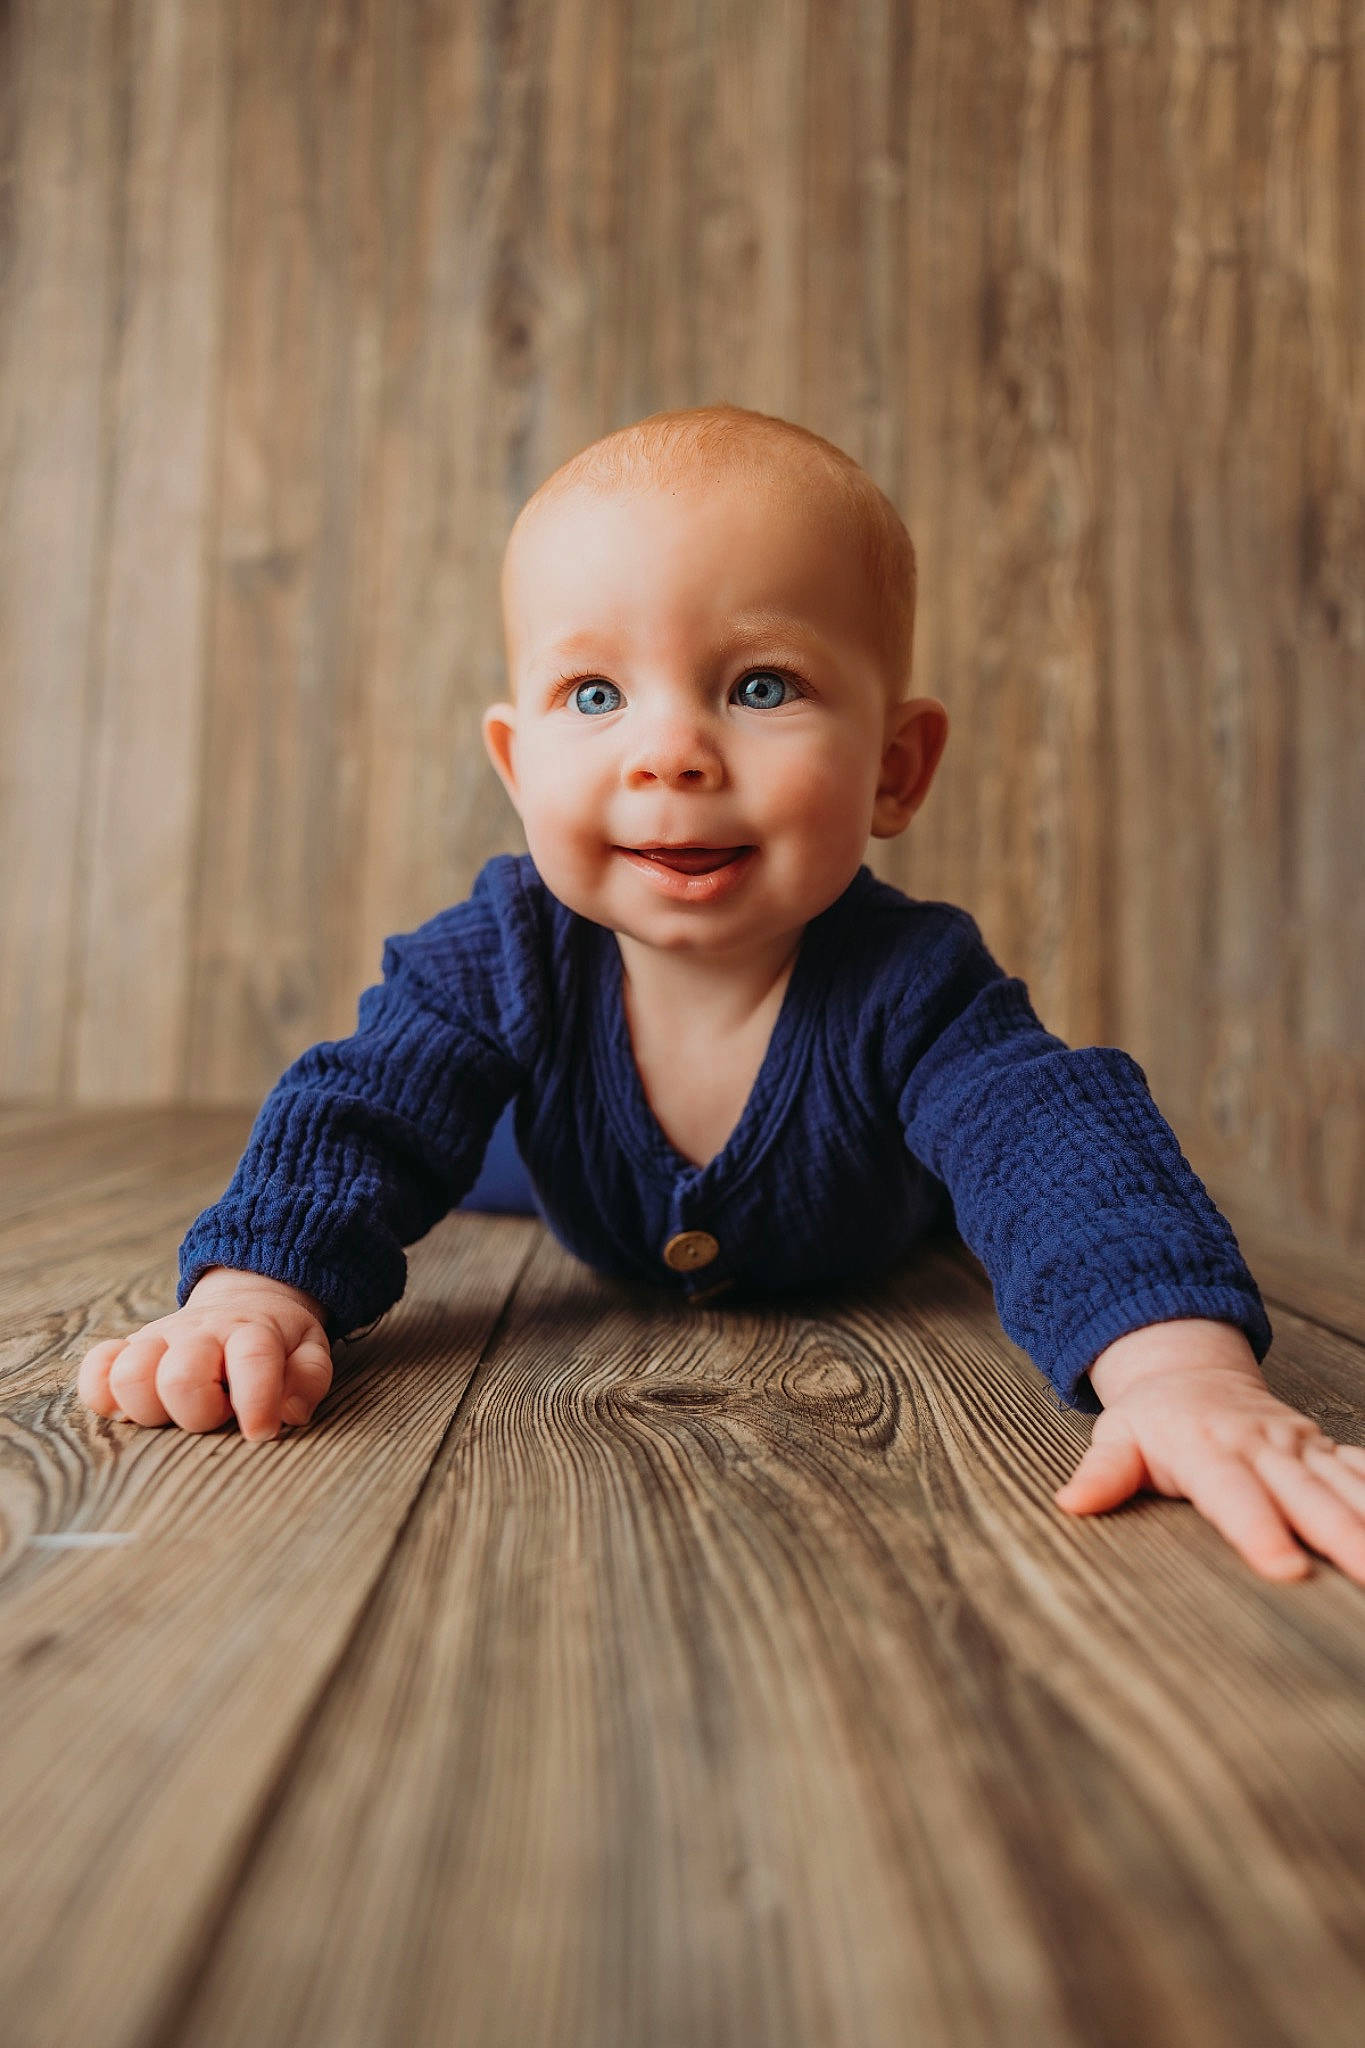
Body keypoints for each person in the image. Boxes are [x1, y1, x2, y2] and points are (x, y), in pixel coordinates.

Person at [76, 404, 1365, 1587]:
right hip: (561, 1162)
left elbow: (1056, 1140)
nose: (672, 752)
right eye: (596, 694)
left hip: (866, 1203)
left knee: (994, 1173)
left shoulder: (912, 985)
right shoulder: (500, 955)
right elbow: (356, 1111)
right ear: (520, 772)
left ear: (895, 769)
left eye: (761, 686)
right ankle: (487, 1147)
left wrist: (1183, 1376)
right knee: (442, 1130)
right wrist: (255, 1292)